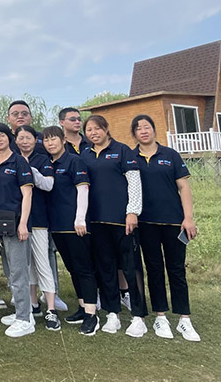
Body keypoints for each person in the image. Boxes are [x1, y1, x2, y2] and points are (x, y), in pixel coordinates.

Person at [132, 115, 200, 341]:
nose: (143, 131)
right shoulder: (131, 158)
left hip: (174, 222)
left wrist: (188, 218)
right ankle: (160, 316)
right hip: (146, 223)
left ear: (154, 130)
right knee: (154, 269)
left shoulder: (170, 155)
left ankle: (184, 318)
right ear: (134, 134)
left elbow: (184, 188)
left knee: (177, 269)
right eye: (139, 128)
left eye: (147, 127)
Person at [81, 115, 148, 336]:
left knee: (130, 267)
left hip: (122, 220)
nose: (93, 133)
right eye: (89, 130)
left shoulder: (122, 151)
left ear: (106, 129)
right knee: (106, 268)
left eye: (97, 129)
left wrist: (132, 212)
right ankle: (112, 313)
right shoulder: (85, 155)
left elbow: (134, 182)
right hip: (97, 221)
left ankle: (138, 316)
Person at [42, 126, 99, 335]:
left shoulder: (74, 161)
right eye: (46, 140)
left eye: (53, 139)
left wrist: (80, 218)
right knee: (73, 268)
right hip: (57, 226)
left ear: (63, 140)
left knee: (84, 268)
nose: (50, 143)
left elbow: (82, 190)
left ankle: (92, 314)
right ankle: (83, 307)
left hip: (76, 225)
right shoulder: (49, 164)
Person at [0, 123, 35, 338]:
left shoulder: (19, 161)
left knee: (19, 272)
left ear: (10, 138)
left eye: (2, 135)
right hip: (0, 225)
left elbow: (27, 195)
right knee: (9, 270)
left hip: (17, 225)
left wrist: (23, 223)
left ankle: (25, 320)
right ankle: (23, 312)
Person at [15, 125, 60, 330]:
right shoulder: (12, 159)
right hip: (18, 220)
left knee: (42, 263)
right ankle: (33, 305)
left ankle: (51, 309)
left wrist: (28, 169)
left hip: (39, 220)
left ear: (35, 140)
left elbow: (48, 185)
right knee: (26, 265)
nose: (24, 141)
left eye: (28, 138)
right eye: (21, 138)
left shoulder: (42, 160)